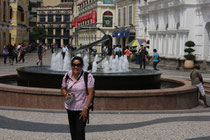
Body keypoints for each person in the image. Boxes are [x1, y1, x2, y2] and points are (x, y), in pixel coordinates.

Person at [61, 56, 95, 140]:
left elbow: (91, 93)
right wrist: (66, 94)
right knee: (73, 132)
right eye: (73, 65)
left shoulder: (88, 76)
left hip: (82, 109)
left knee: (79, 132)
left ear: (82, 66)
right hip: (70, 108)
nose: (76, 67)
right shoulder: (67, 76)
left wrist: (85, 108)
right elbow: (62, 89)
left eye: (78, 65)